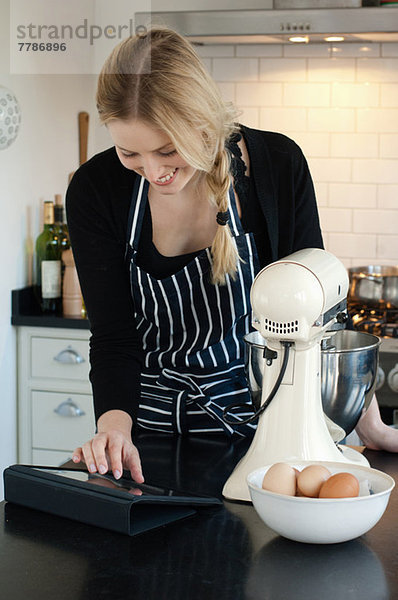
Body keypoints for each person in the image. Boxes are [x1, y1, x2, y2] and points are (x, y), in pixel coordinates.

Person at [66, 27, 398, 483]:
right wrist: (114, 430)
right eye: (131, 154)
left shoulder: (277, 165)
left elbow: (320, 312)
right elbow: (113, 337)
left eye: (168, 149)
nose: (155, 172)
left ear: (202, 121)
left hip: (270, 433)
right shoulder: (95, 189)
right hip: (153, 439)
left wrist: (369, 423)